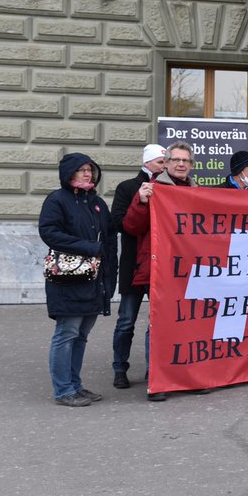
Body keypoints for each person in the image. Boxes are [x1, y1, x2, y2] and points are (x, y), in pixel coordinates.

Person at [39, 153, 118, 407]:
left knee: (81, 335)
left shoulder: (96, 202)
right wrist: (88, 247)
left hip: (94, 280)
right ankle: (63, 390)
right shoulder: (57, 200)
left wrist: (111, 276)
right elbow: (49, 233)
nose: (87, 173)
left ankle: (75, 385)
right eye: (81, 169)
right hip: (68, 279)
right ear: (69, 173)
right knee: (67, 333)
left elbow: (109, 239)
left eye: (90, 169)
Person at [121, 142, 196, 401]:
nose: (181, 164)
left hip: (188, 271)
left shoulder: (197, 192)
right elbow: (131, 226)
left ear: (191, 165)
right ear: (166, 164)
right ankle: (157, 379)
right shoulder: (153, 189)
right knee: (159, 325)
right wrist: (141, 202)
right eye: (176, 160)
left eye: (185, 160)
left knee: (188, 325)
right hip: (160, 269)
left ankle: (188, 376)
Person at [108, 143, 166, 389]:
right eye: (161, 162)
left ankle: (153, 370)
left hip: (159, 265)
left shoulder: (169, 188)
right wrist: (140, 201)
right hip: (134, 264)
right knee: (126, 321)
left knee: (157, 322)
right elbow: (118, 223)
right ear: (148, 162)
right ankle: (120, 368)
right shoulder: (127, 187)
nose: (164, 166)